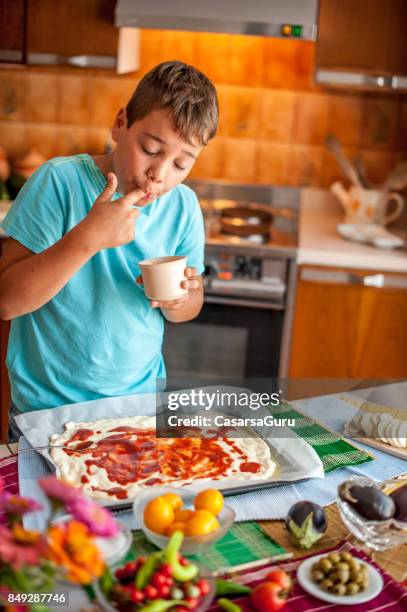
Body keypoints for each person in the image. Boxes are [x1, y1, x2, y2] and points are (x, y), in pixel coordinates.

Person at [0, 60, 219, 441]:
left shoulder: (182, 207)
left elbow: (190, 304)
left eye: (182, 163)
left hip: (135, 412)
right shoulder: (59, 183)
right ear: (120, 124)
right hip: (46, 413)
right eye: (151, 149)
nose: (160, 174)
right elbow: (7, 301)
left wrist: (181, 299)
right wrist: (89, 236)